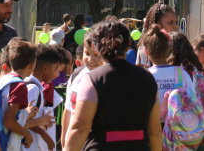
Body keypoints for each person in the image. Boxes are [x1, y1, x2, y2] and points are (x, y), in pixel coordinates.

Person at [63, 19, 160, 151]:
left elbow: (81, 127)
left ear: (97, 47)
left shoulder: (93, 79)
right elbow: (154, 131)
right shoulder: (148, 78)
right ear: (128, 46)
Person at [142, 28, 195, 125]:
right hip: (179, 128)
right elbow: (193, 100)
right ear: (168, 49)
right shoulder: (182, 73)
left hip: (154, 128)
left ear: (147, 52)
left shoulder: (144, 76)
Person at [62, 33, 103, 149]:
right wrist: (65, 142)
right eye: (87, 53)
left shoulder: (108, 79)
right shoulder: (77, 75)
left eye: (96, 54)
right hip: (74, 143)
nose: (90, 59)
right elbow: (68, 109)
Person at [24, 45, 62, 151]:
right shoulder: (33, 89)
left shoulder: (35, 87)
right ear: (45, 68)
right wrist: (42, 127)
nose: (57, 74)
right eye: (56, 69)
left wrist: (42, 122)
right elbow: (21, 122)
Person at [137, 3, 178, 67]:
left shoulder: (177, 43)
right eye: (170, 23)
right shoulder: (147, 44)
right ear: (158, 23)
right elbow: (140, 72)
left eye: (175, 22)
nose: (175, 26)